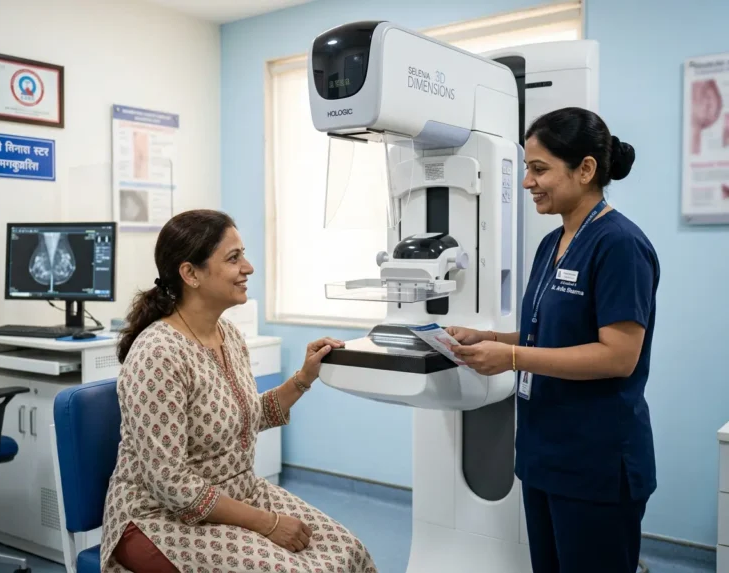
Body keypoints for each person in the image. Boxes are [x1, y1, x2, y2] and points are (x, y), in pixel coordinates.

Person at [100, 209, 377, 573]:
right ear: (190, 274)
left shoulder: (228, 336)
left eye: (243, 254)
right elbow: (170, 482)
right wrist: (267, 522)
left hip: (238, 495)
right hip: (159, 517)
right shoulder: (158, 354)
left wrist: (305, 377)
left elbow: (248, 416)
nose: (248, 267)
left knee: (347, 551)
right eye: (234, 258)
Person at [446, 107, 659, 573]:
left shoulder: (620, 245)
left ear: (585, 169)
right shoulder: (553, 242)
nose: (527, 182)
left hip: (595, 461)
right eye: (527, 168)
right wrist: (489, 337)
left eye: (539, 169)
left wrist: (512, 356)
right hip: (545, 452)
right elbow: (550, 333)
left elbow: (619, 356)